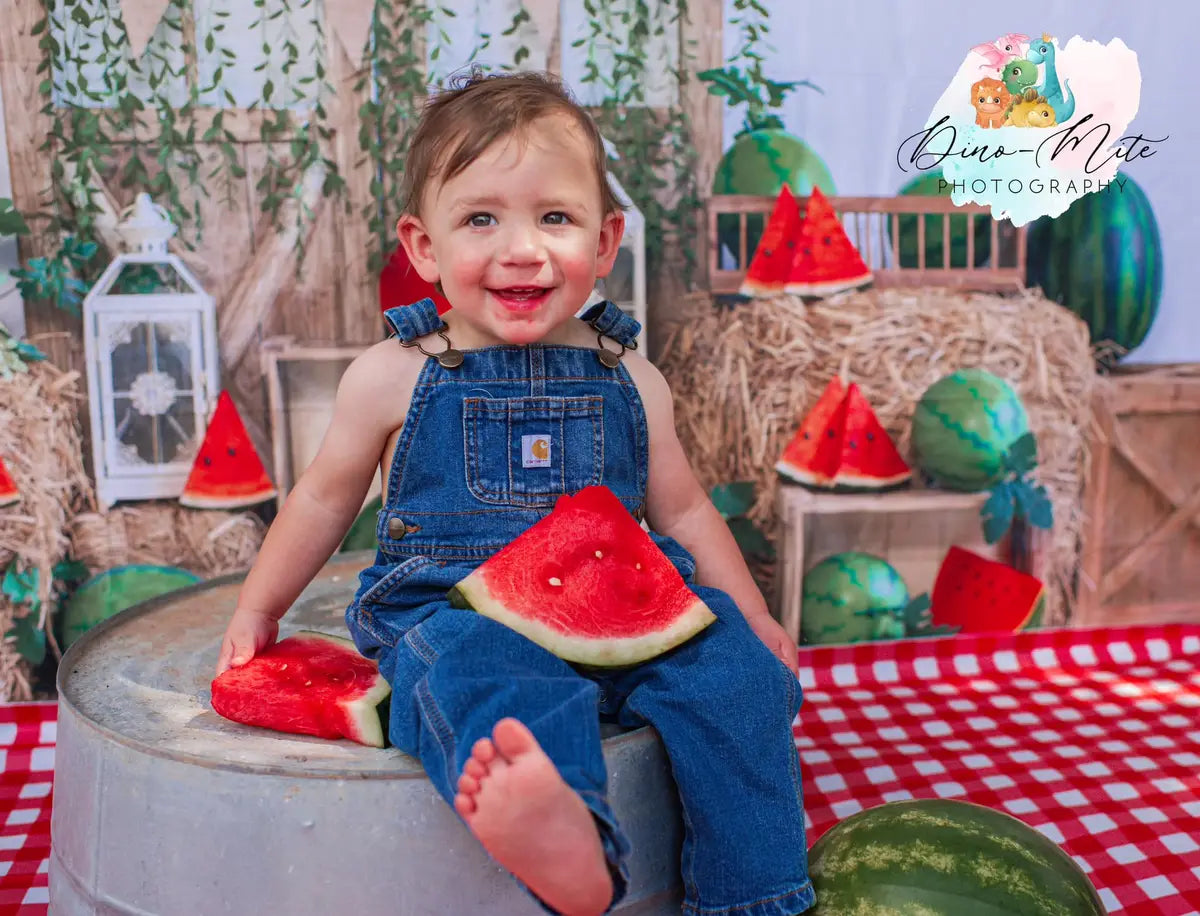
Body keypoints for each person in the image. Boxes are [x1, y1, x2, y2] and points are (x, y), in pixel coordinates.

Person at [215, 68, 814, 916]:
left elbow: (679, 510)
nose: (522, 247)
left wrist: (749, 619)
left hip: (634, 620)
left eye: (555, 218)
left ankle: (757, 898)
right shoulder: (390, 376)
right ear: (424, 247)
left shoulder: (633, 377)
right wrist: (259, 607)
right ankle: (565, 838)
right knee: (480, 675)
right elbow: (320, 500)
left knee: (740, 686)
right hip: (452, 610)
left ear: (605, 244)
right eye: (481, 218)